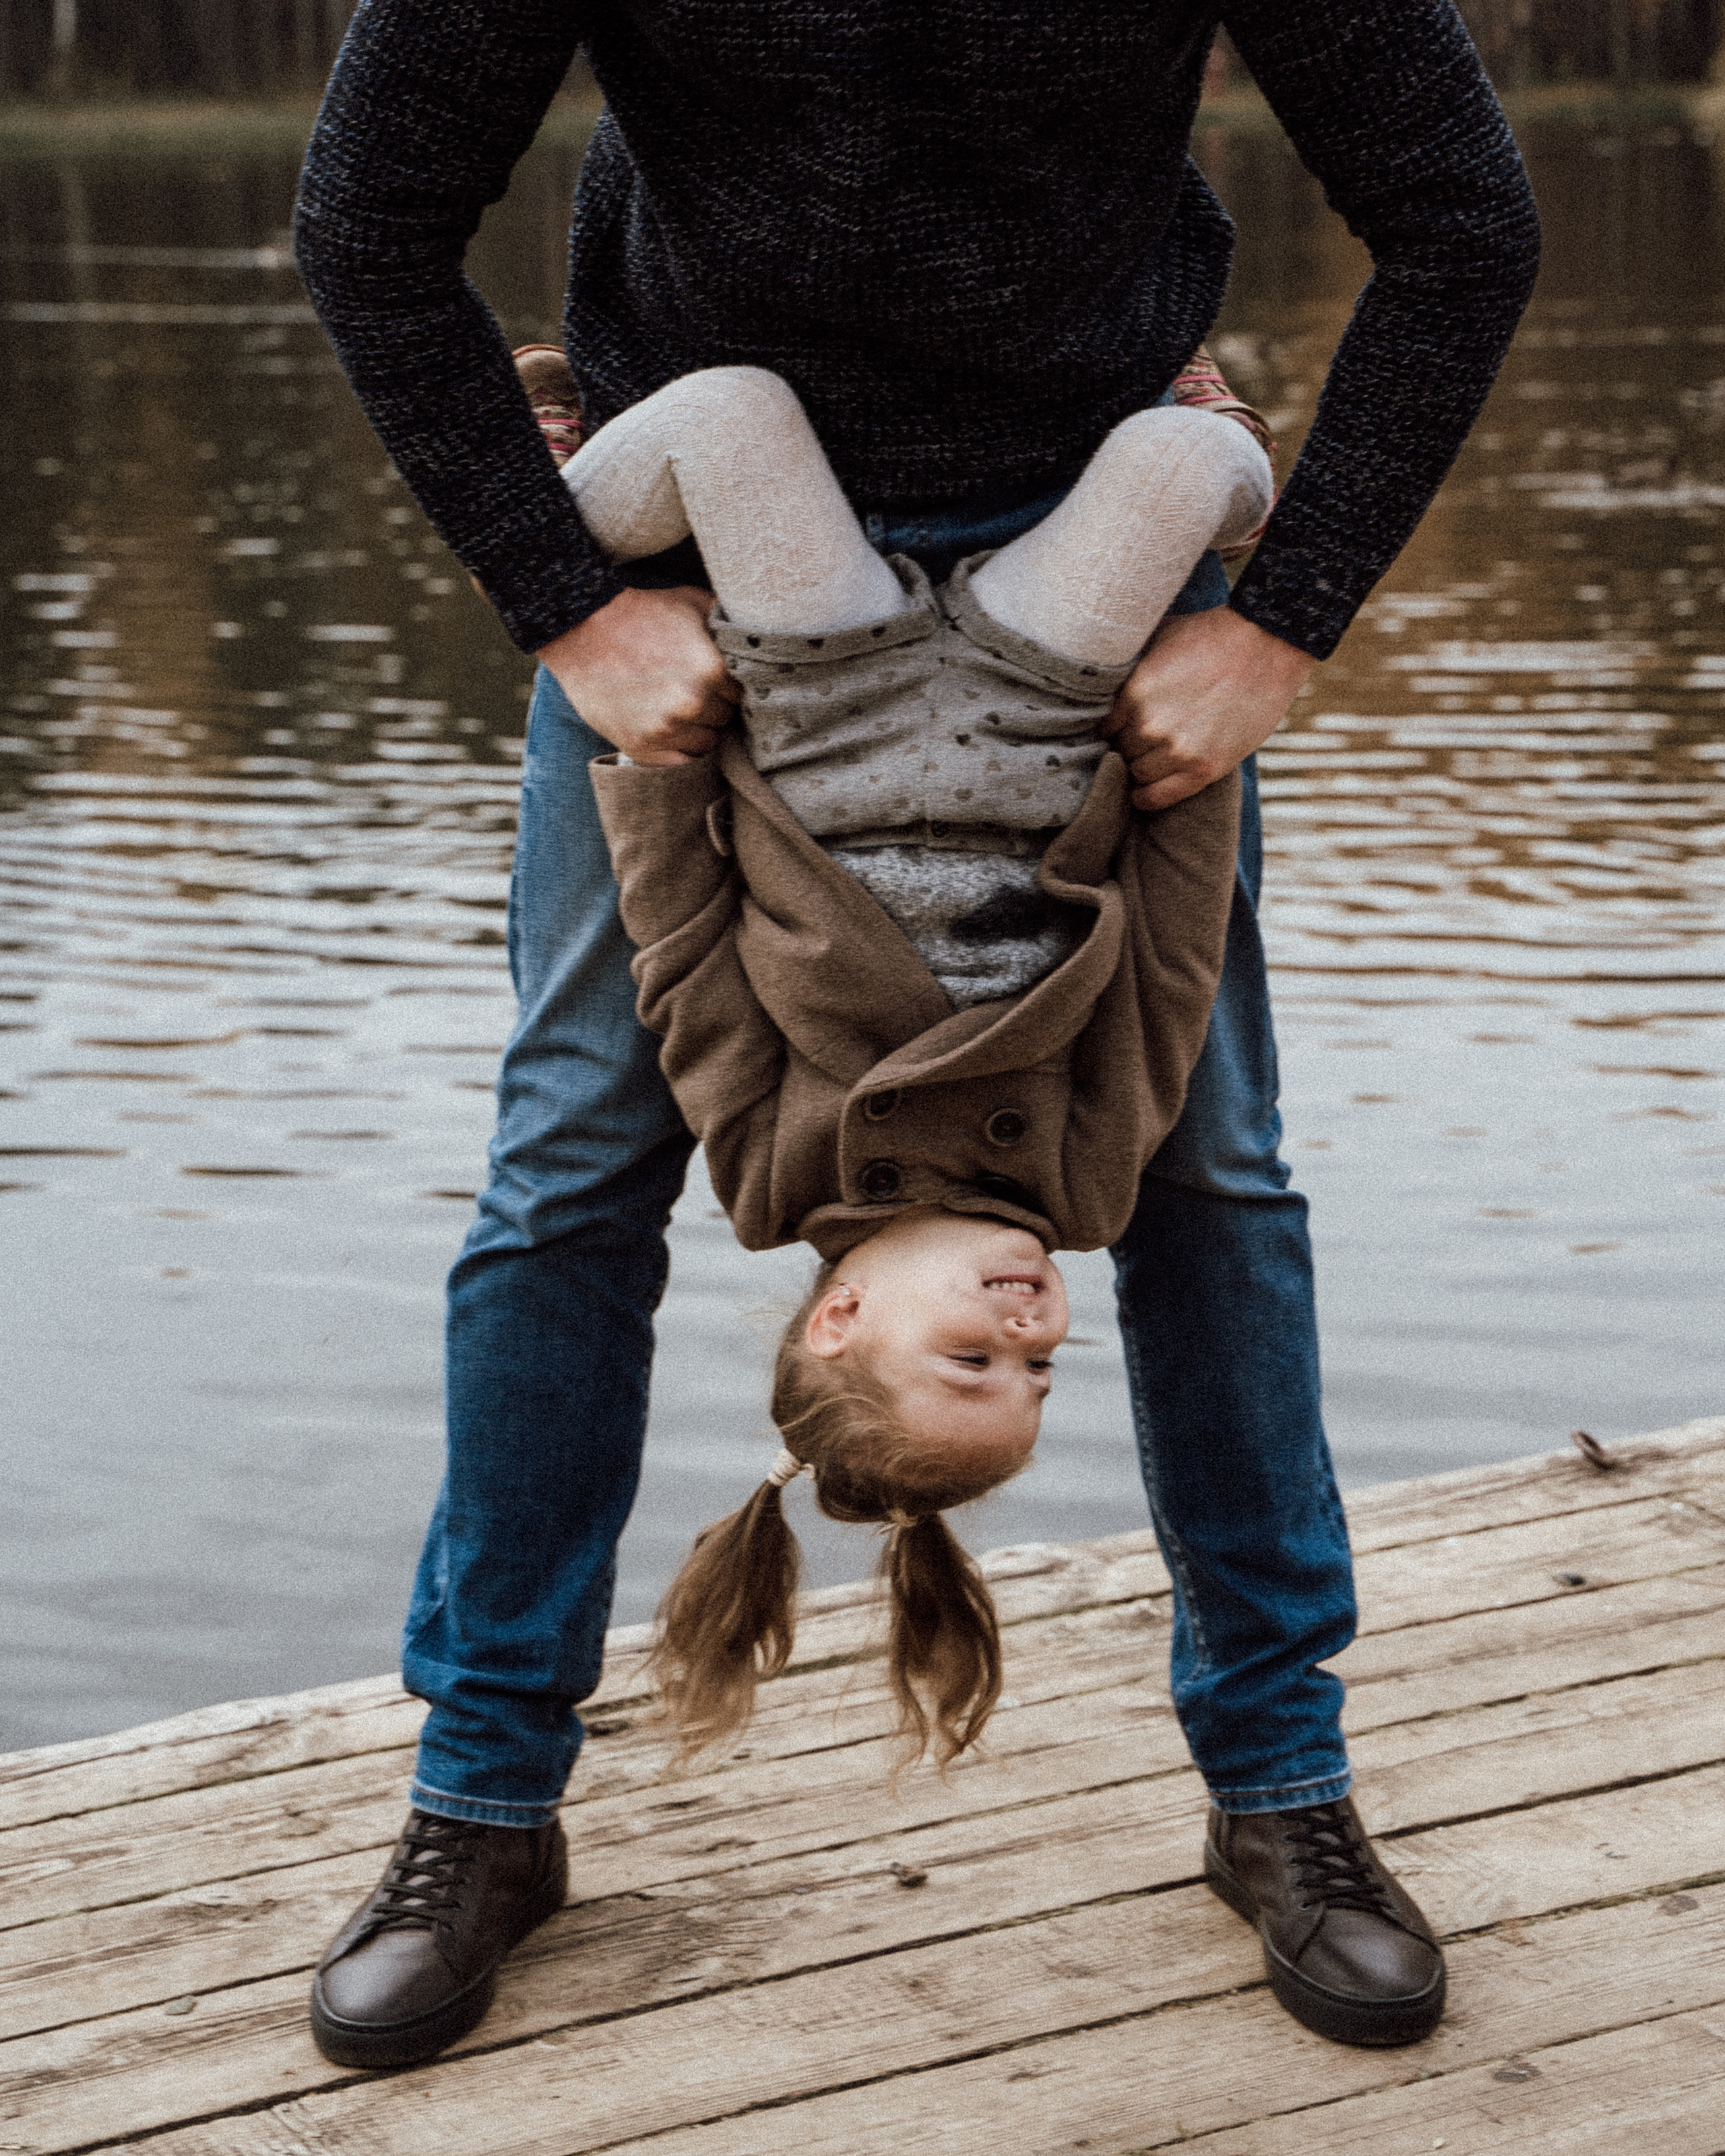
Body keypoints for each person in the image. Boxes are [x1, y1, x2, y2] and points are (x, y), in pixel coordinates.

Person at [293, 0, 1540, 2072]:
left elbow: (1463, 216)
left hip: (1092, 590)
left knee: (1216, 1178)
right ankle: (486, 1806)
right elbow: (366, 212)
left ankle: (1283, 1789)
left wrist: (1288, 614)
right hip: (709, 579)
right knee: (567, 1172)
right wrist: (563, 602)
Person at [555, 360, 1271, 1769]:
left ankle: (558, 481)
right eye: (1038, 1370)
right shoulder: (1087, 1175)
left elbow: (686, 958)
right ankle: (1216, 409)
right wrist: (1201, 777)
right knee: (1185, 468)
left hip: (825, 704)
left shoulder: (770, 1171)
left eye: (969, 1356)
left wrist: (648, 767)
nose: (1029, 1327)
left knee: (731, 412)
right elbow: (1169, 972)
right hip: (1039, 706)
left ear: (838, 1316)